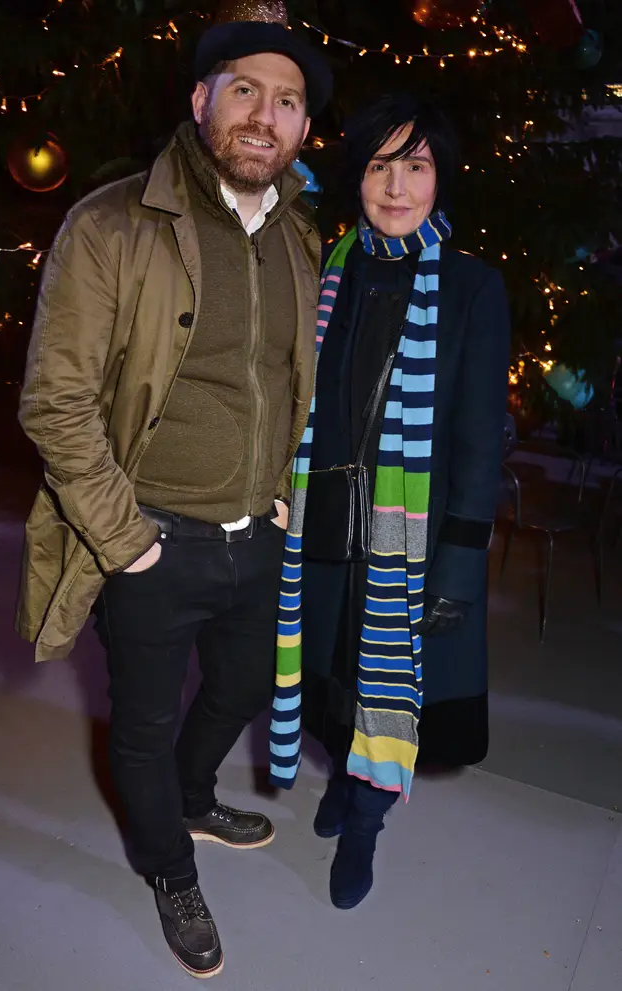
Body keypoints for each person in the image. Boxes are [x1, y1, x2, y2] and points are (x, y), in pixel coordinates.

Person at [16, 19, 332, 980]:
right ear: (201, 100)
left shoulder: (300, 234)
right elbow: (55, 401)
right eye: (244, 90)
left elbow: (288, 383)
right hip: (148, 536)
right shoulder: (113, 224)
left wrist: (281, 496)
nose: (263, 116)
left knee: (237, 690)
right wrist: (128, 541)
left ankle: (195, 795)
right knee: (143, 728)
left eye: (286, 102)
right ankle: (168, 865)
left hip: (256, 535)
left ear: (304, 127)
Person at [269, 92, 510, 910]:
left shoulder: (474, 290)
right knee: (335, 675)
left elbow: (481, 437)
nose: (397, 185)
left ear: (441, 179)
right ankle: (342, 780)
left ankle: (366, 820)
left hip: (415, 536)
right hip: (327, 522)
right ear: (357, 175)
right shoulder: (329, 269)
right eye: (380, 165)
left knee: (388, 684)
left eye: (417, 165)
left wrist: (459, 567)